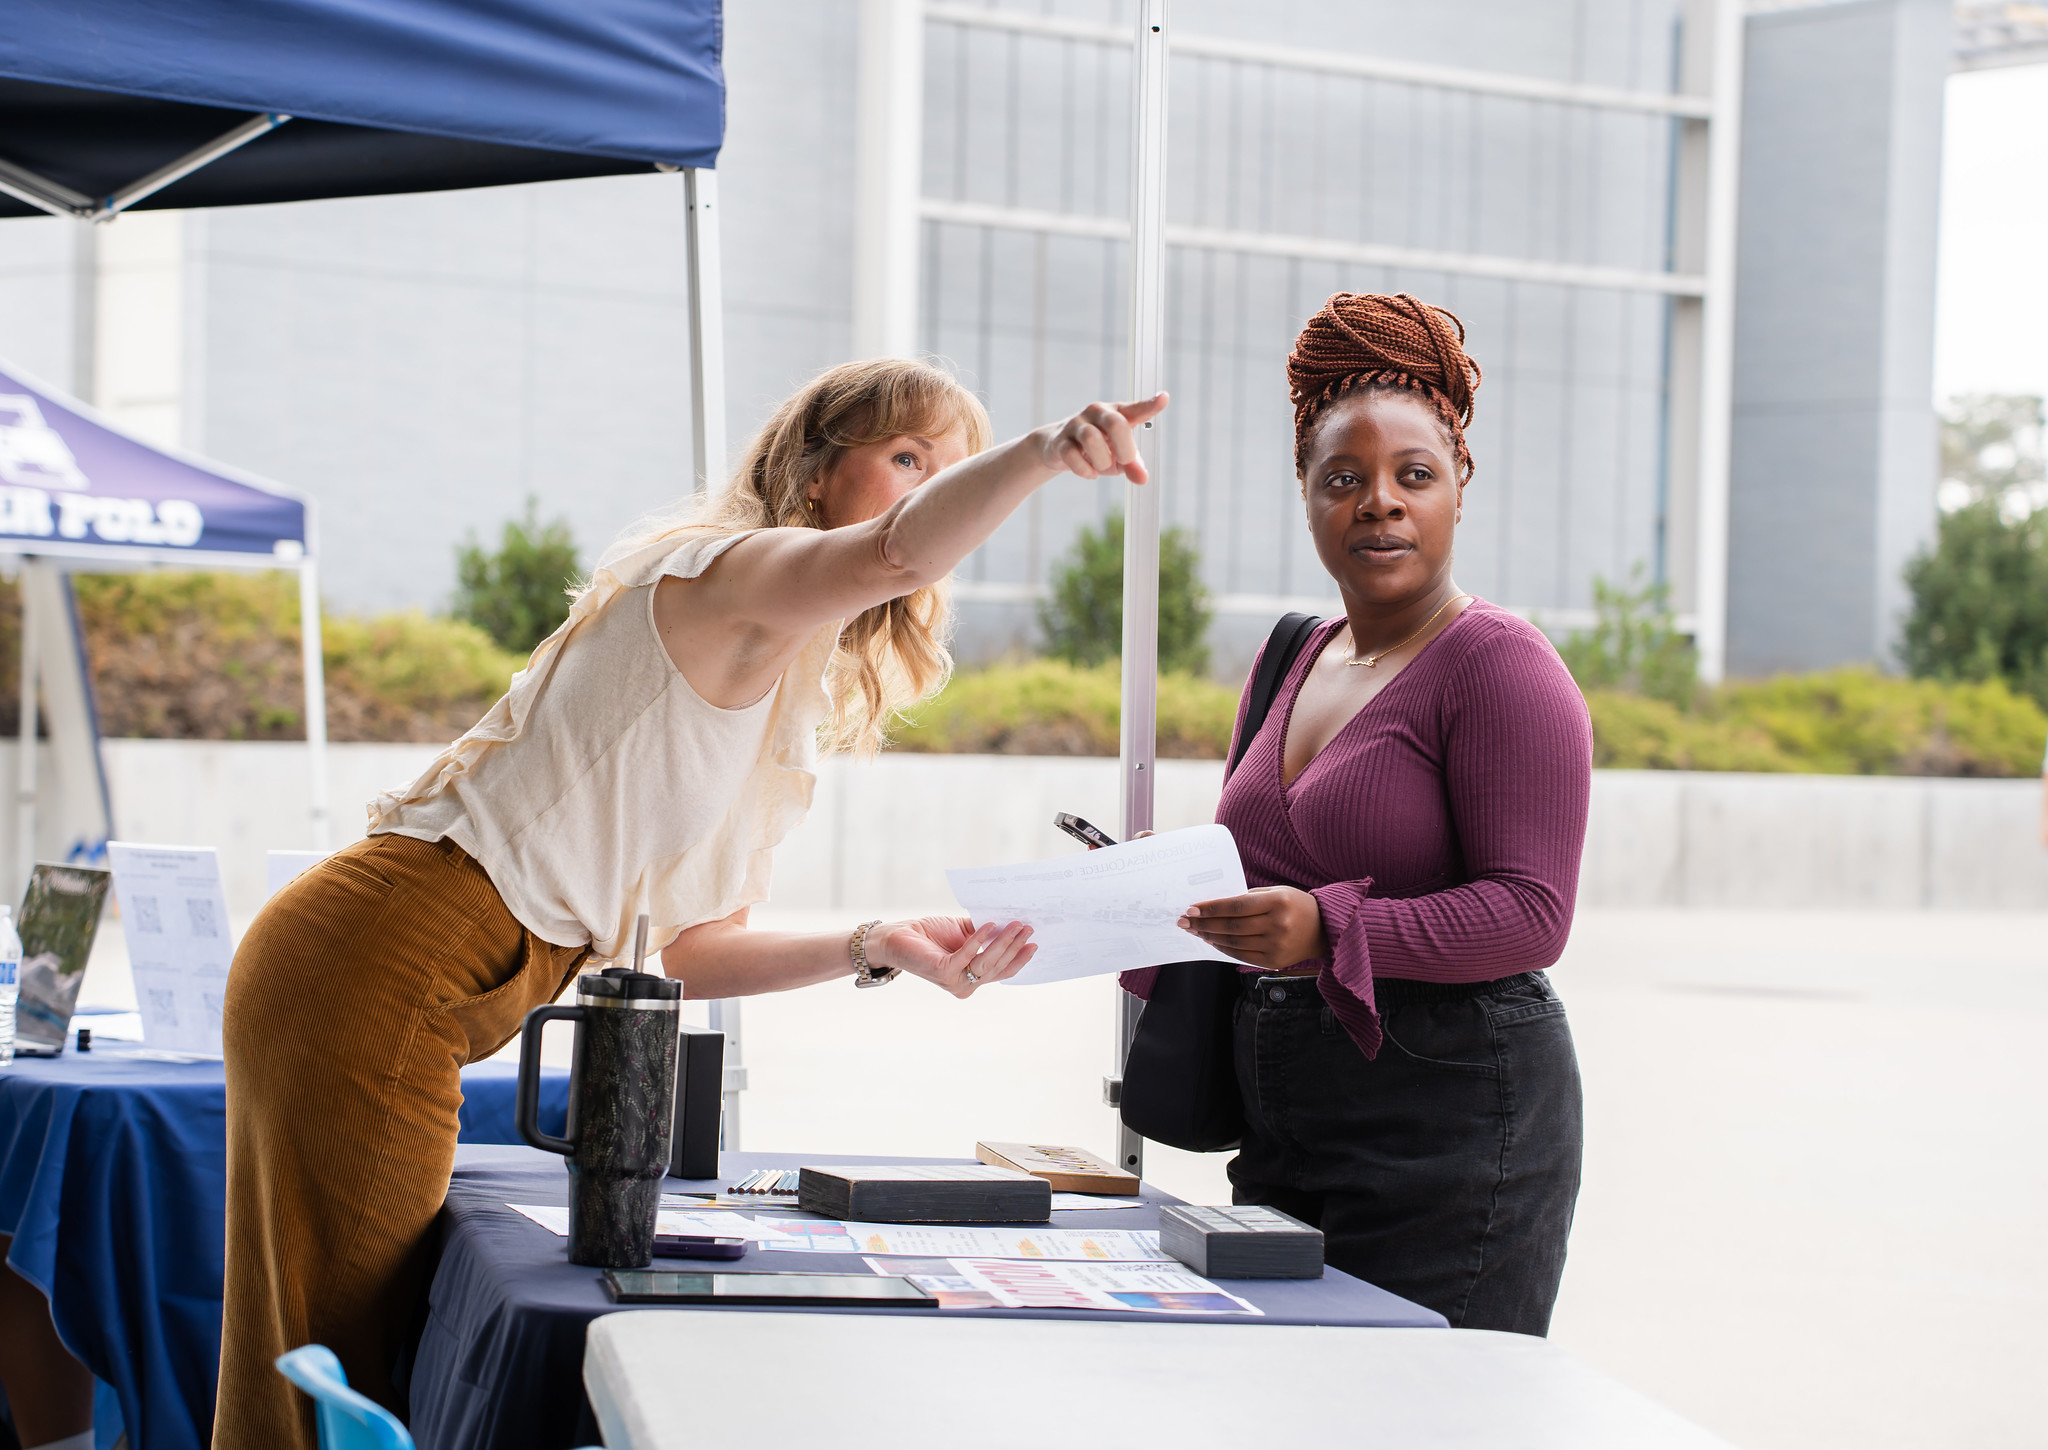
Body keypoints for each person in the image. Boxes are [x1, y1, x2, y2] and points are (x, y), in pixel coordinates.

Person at [215, 358, 1170, 1450]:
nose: (928, 491)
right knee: (341, 1351)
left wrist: (878, 941)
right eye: (906, 459)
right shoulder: (731, 572)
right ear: (814, 476)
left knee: (313, 1351)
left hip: (382, 968)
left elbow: (688, 948)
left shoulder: (766, 671)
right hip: (380, 958)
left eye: (948, 470)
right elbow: (897, 547)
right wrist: (1045, 454)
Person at [1124, 293, 1592, 1335]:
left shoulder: (1500, 667)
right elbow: (1249, 876)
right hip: (1282, 1122)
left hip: (1455, 1128)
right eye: (1344, 478)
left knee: (1418, 1419)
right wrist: (1142, 904)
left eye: (1411, 475)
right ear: (1304, 492)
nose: (1378, 502)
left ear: (1458, 487)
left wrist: (1330, 926)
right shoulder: (1292, 651)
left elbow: (1531, 911)